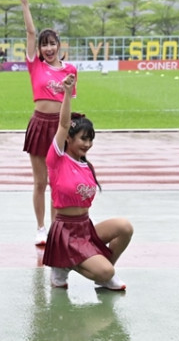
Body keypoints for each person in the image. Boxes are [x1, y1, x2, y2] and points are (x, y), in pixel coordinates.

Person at [42, 76, 133, 291]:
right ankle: (63, 264)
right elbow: (63, 124)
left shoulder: (86, 166)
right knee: (106, 273)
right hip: (65, 232)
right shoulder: (57, 160)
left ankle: (99, 269)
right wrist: (66, 92)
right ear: (69, 139)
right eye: (83, 139)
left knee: (125, 228)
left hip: (85, 228)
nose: (88, 144)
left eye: (91, 139)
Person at [19, 0, 79, 245]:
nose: (48, 48)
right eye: (44, 45)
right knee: (40, 181)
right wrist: (25, 4)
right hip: (39, 125)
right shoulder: (35, 65)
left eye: (52, 43)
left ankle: (57, 227)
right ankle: (41, 227)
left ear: (59, 45)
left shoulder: (71, 70)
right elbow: (30, 32)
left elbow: (70, 100)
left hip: (61, 127)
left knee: (59, 182)